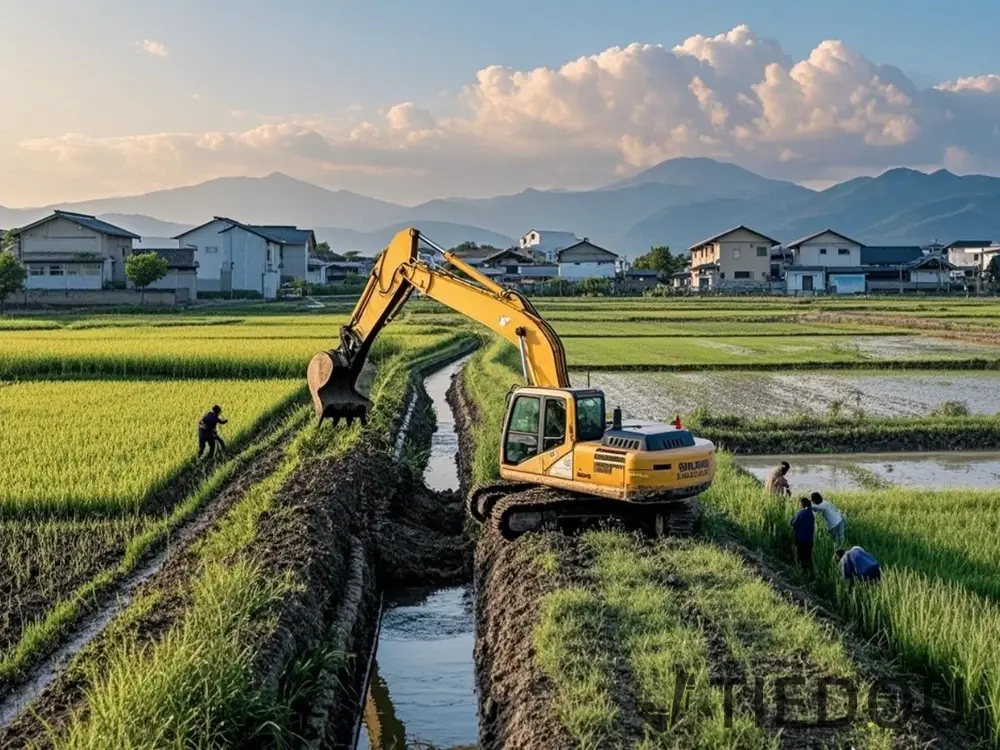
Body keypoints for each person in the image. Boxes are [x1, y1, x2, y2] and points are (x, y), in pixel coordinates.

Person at [789, 497, 815, 572]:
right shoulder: (811, 514)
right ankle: (810, 573)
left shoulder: (800, 513)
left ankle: (802, 572)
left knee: (801, 557)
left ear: (802, 504)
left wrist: (795, 515)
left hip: (801, 539)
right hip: (809, 539)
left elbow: (792, 523)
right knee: (808, 557)